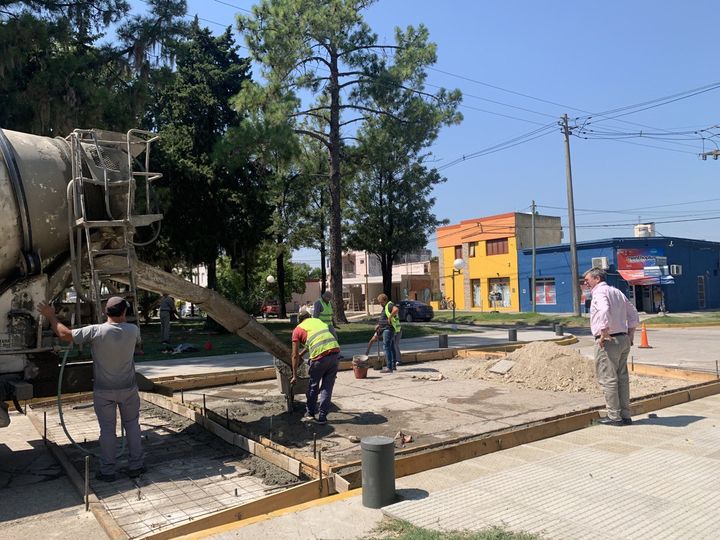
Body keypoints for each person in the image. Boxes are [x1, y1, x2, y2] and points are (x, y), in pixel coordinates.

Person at [38, 296, 146, 481]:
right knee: (133, 426)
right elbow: (135, 344)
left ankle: (108, 471)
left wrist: (51, 316)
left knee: (107, 431)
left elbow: (65, 335)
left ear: (105, 312)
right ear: (124, 312)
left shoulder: (96, 331)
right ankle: (136, 466)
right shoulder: (133, 330)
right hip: (128, 388)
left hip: (104, 391)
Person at [583, 267, 640, 426]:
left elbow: (604, 310)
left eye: (587, 280)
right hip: (622, 339)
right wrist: (631, 334)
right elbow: (633, 312)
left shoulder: (599, 293)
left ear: (597, 279)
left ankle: (614, 417)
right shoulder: (616, 292)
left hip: (609, 341)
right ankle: (625, 415)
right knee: (622, 378)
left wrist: (604, 332)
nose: (585, 283)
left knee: (608, 379)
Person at [290, 307, 341, 425]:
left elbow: (294, 355)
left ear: (300, 320)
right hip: (335, 354)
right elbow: (316, 340)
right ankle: (323, 416)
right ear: (309, 317)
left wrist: (294, 375)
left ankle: (310, 413)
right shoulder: (318, 322)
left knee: (313, 385)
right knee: (327, 387)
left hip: (320, 358)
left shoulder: (298, 330)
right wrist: (302, 354)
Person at [376, 293, 400, 373]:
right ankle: (393, 366)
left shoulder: (389, 305)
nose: (380, 304)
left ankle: (389, 367)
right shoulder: (386, 307)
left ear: (384, 300)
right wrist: (379, 325)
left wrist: (390, 317)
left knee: (387, 347)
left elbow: (396, 309)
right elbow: (384, 317)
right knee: (391, 347)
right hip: (386, 328)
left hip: (388, 329)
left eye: (381, 302)